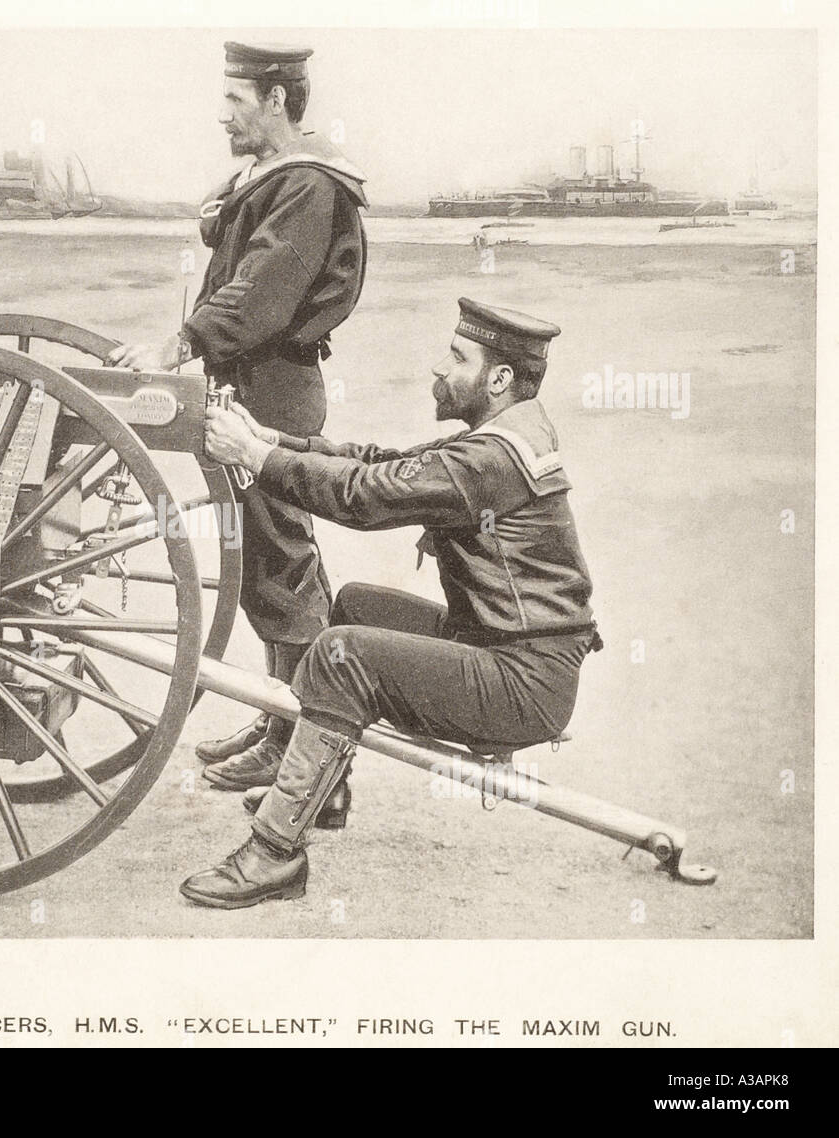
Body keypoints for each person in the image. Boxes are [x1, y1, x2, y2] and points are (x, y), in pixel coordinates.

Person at [179, 298, 603, 909]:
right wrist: (273, 439)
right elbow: (384, 464)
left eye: (456, 358)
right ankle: (325, 793)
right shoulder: (507, 436)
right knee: (355, 605)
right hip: (505, 649)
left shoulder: (487, 460)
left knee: (340, 653)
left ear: (499, 379)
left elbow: (363, 497)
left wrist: (253, 457)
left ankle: (274, 854)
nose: (438, 368)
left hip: (523, 684)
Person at [107, 42, 368, 807]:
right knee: (264, 567)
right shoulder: (273, 179)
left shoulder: (310, 187)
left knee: (284, 570)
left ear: (278, 100)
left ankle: (307, 752)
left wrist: (180, 343)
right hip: (247, 385)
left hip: (274, 395)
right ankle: (278, 722)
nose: (223, 113)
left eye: (235, 100)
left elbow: (261, 292)